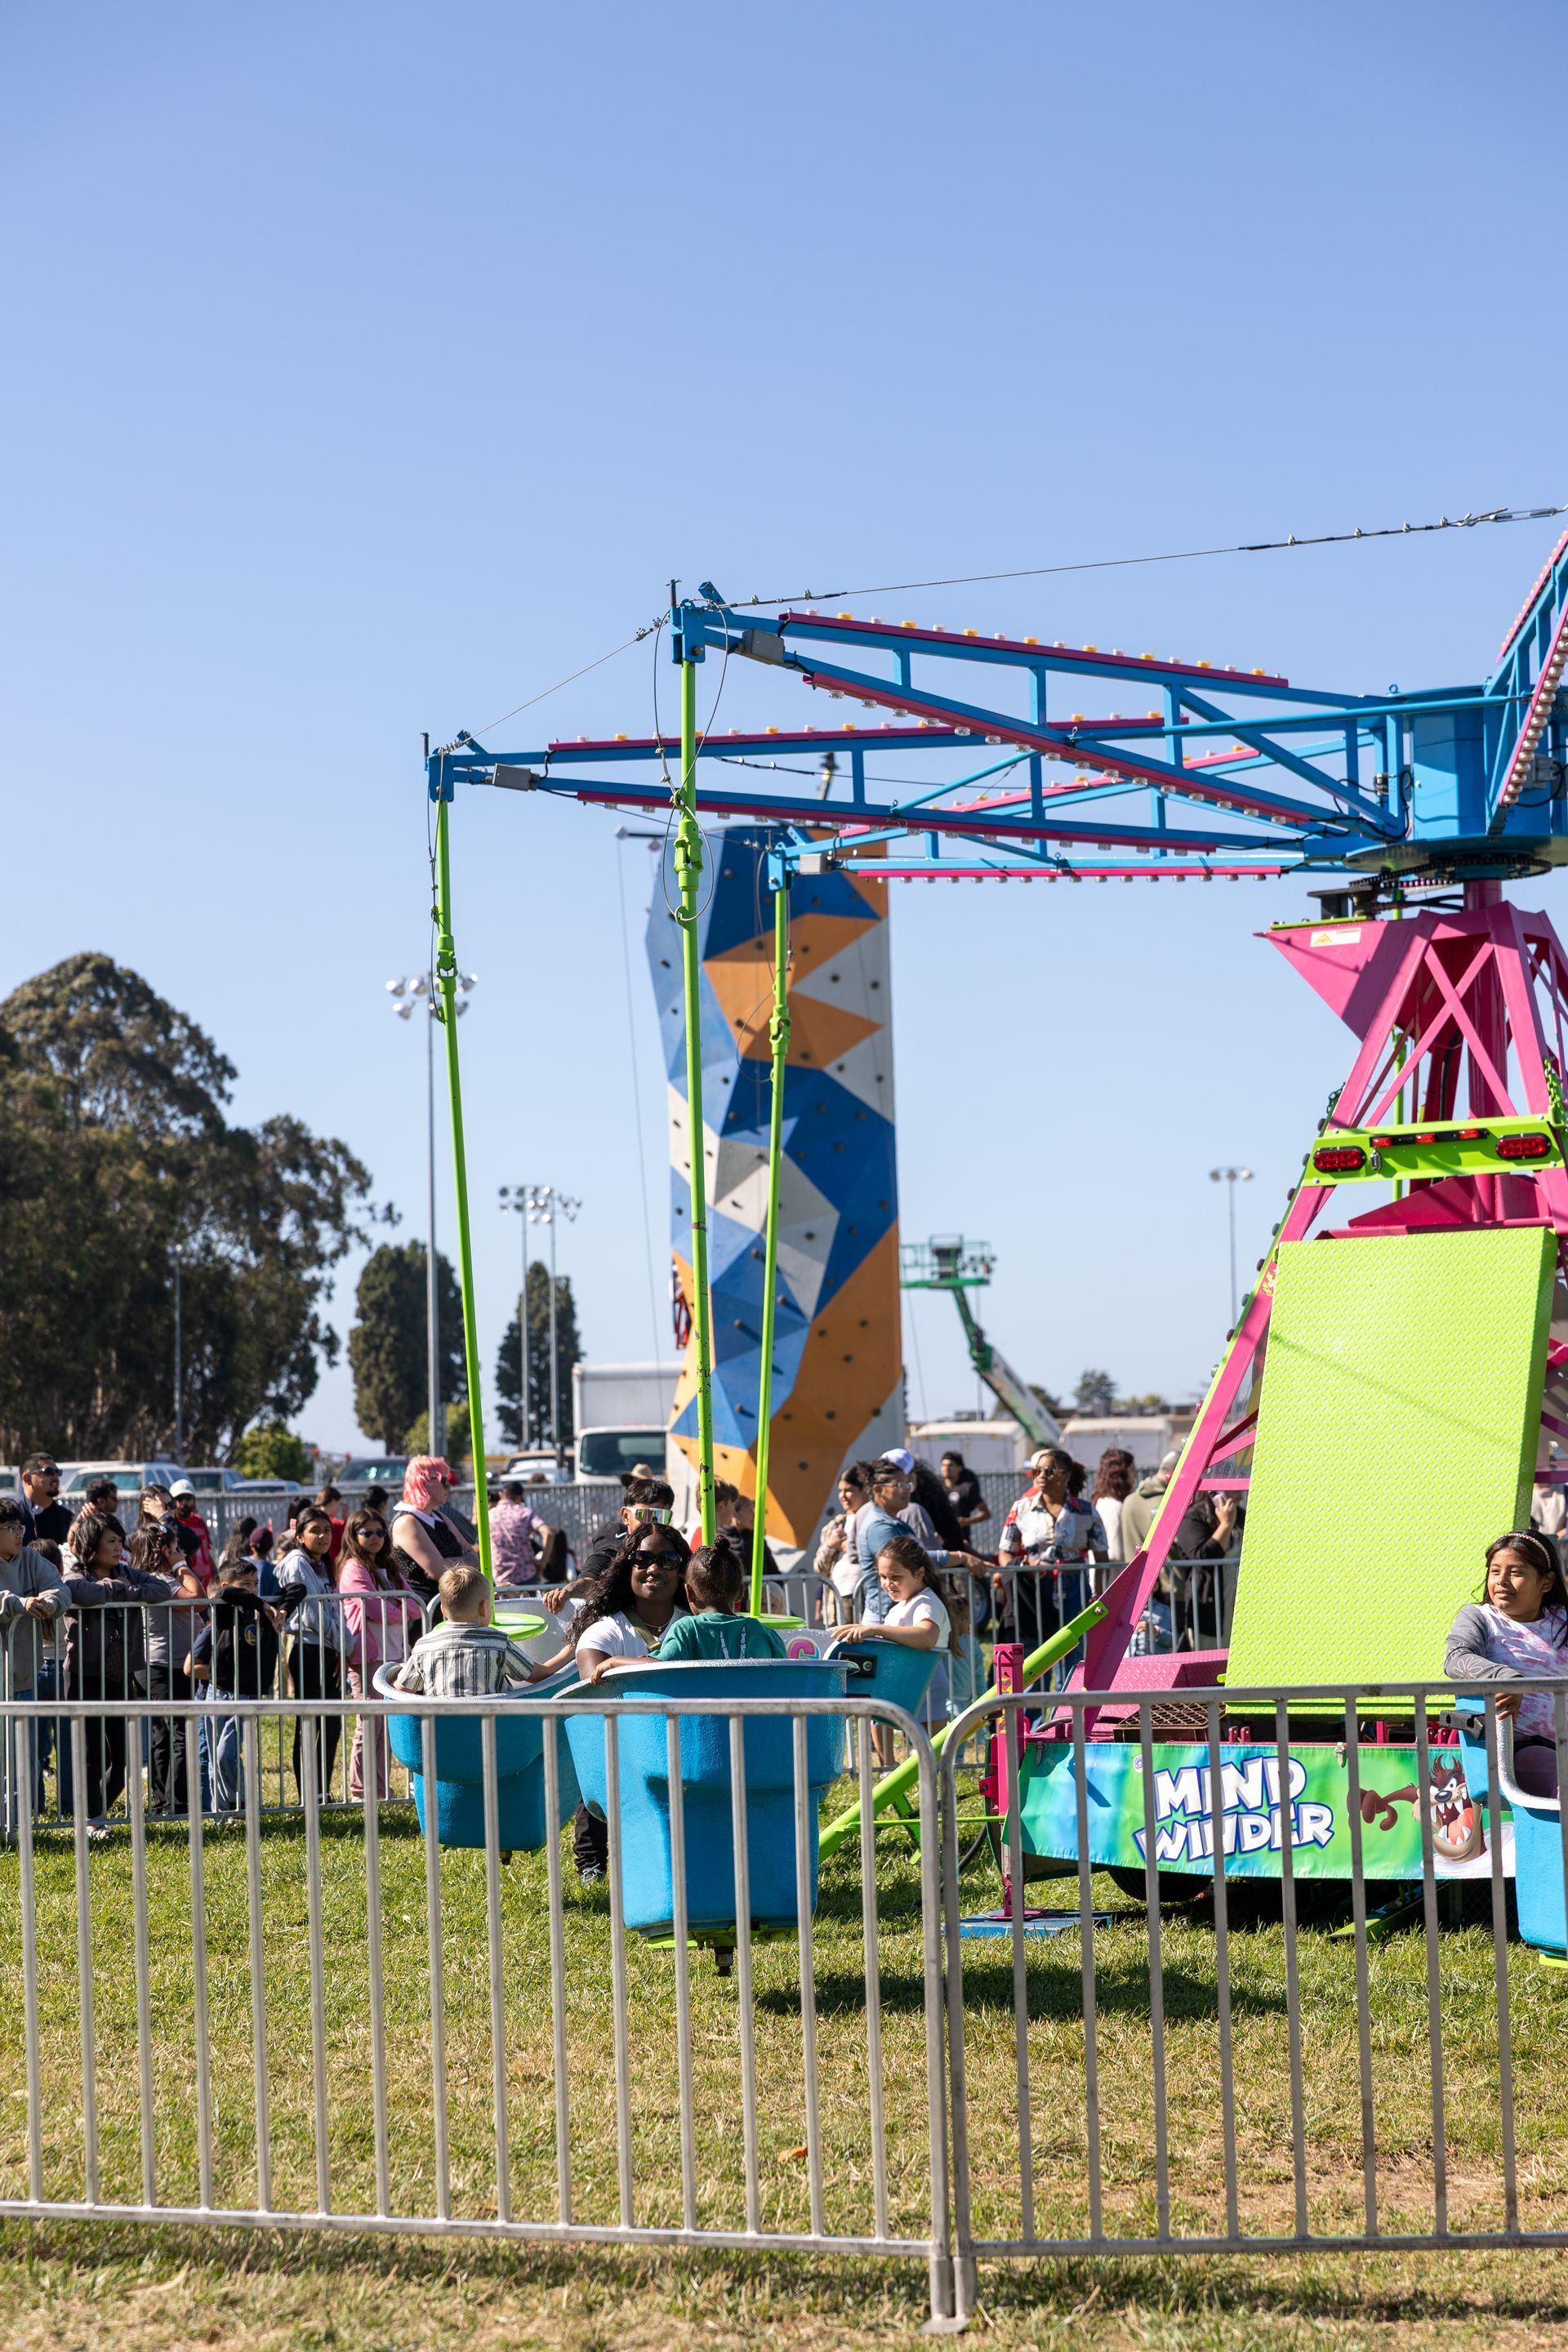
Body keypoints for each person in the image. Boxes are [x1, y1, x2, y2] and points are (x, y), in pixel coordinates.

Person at [554, 1522, 693, 1883]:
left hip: (686, 1748)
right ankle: (592, 1862)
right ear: (627, 1567)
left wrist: (621, 1665)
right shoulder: (603, 1631)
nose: (654, 1568)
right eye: (643, 1559)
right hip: (621, 1750)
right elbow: (594, 1690)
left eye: (667, 1560)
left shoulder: (696, 1626)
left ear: (682, 1570)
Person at [60, 1509, 167, 1830]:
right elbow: (79, 1592)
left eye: (120, 1540)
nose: (119, 1547)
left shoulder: (128, 1573)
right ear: (92, 1544)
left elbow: (161, 1590)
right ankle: (94, 1822)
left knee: (123, 1757)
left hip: (121, 1675)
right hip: (84, 1674)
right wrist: (115, 1589)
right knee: (91, 1754)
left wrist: (125, 1591)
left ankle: (92, 1813)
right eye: (111, 1541)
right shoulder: (77, 1575)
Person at [1446, 1530, 1568, 1796]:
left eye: (1515, 1572)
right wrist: (1506, 1678)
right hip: (1520, 1749)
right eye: (1495, 1571)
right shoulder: (1479, 1618)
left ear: (1546, 1582)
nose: (1501, 1581)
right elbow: (1456, 1658)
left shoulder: (1562, 1620)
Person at [833, 1531, 952, 1748]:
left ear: (919, 1573)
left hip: (925, 1687)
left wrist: (875, 1629)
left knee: (929, 1756)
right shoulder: (903, 1605)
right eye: (883, 1576)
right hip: (902, 1683)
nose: (888, 1583)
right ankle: (888, 1765)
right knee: (887, 1734)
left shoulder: (926, 1602)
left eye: (895, 1577)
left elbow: (927, 1637)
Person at [336, 1508, 422, 1800]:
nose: (375, 1538)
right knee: (369, 1723)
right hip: (367, 1655)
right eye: (367, 1533)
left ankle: (380, 1788)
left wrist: (396, 1606)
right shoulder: (353, 1568)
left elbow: (415, 1605)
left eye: (380, 1532)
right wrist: (399, 1607)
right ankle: (361, 1789)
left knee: (385, 1725)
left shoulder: (389, 1566)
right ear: (354, 1535)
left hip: (394, 1653)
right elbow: (372, 1607)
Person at [0, 1497, 71, 1834]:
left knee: (25, 1757)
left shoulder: (30, 1559)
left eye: (21, 1526)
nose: (19, 1533)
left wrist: (51, 1602)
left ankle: (20, 1826)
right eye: (11, 1528)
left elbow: (61, 1588)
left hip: (24, 1677)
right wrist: (19, 1603)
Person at [191, 1553, 283, 1813]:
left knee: (225, 1753)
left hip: (245, 1695)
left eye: (255, 1584)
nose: (253, 1590)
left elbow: (297, 1589)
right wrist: (259, 1602)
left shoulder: (262, 1614)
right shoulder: (223, 1611)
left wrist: (272, 1608)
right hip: (217, 1693)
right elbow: (227, 1594)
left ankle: (240, 1803)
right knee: (215, 1757)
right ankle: (223, 1811)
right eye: (246, 1585)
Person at [996, 1448, 1108, 1655]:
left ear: (1066, 1475)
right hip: (1032, 1591)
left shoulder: (1086, 1511)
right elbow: (1005, 1552)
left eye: (1048, 1471)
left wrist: (1097, 1594)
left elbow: (1102, 1558)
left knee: (1074, 1656)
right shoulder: (1021, 1509)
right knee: (1036, 1657)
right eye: (1036, 1471)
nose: (1041, 1476)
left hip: (1075, 1590)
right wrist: (1025, 1567)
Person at [136, 1515, 207, 1817]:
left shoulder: (154, 1578)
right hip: (164, 1666)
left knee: (165, 1735)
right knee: (177, 1734)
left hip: (168, 1664)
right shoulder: (161, 1580)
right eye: (176, 1548)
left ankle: (165, 1802)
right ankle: (175, 1804)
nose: (182, 1552)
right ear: (162, 1551)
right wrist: (181, 1565)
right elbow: (198, 1599)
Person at [276, 1504, 345, 1803]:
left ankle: (322, 1790)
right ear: (300, 1536)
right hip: (307, 1649)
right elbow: (312, 1613)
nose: (323, 1536)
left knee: (332, 1723)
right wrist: (342, 1642)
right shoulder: (296, 1562)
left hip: (329, 1648)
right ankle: (308, 1793)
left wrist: (341, 1647)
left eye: (327, 1530)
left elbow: (335, 1608)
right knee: (309, 1723)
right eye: (315, 1530)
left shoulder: (324, 1564)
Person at [393, 1564, 542, 1695]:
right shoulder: (499, 1643)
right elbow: (540, 1675)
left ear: (443, 1610)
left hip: (441, 1720)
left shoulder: (423, 1646)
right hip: (491, 1719)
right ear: (484, 1607)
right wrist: (560, 1653)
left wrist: (392, 1671)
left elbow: (401, 1689)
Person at [653, 1535, 790, 1662]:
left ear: (689, 1593)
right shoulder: (765, 1634)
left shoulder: (686, 1630)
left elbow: (658, 1667)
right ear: (741, 1592)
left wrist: (640, 1659)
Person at [388, 1457, 479, 1606]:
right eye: (444, 1481)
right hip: (423, 1611)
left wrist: (449, 1563)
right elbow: (439, 1571)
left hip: (451, 1605)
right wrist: (464, 1561)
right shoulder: (407, 1522)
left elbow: (474, 1557)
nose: (448, 1487)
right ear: (424, 1482)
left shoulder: (440, 1517)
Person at [814, 1463, 875, 1624]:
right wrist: (830, 1546)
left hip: (867, 1597)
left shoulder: (874, 1521)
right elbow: (819, 1570)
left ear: (864, 1490)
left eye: (848, 1490)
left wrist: (853, 1548)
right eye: (840, 1491)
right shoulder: (834, 1526)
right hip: (837, 1599)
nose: (843, 1496)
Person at [1089, 1448, 1138, 1569]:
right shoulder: (1114, 1508)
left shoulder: (1101, 1502)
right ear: (1120, 1474)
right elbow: (1115, 1553)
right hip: (1114, 1577)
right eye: (1132, 1470)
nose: (1135, 1476)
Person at [491, 1481, 547, 1585]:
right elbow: (548, 1533)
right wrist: (543, 1561)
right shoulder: (524, 1513)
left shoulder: (490, 1515)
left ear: (501, 1495)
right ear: (519, 1497)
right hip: (526, 1574)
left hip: (500, 1575)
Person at [17, 1453, 72, 1548]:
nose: (56, 1477)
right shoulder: (11, 1516)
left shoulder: (67, 1518)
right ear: (27, 1479)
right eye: (49, 1472)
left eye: (58, 1472)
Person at [169, 1481, 215, 1585]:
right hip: (188, 1580)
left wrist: (216, 1575)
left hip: (207, 1581)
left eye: (188, 1498)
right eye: (180, 1498)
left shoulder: (199, 1521)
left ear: (194, 1500)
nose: (184, 1502)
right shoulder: (174, 1525)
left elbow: (206, 1551)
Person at [940, 1450, 991, 1547]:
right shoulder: (937, 1487)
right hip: (940, 1541)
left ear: (959, 1468)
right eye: (943, 1465)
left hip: (960, 1540)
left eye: (950, 1465)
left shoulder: (967, 1488)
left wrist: (967, 1521)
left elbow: (986, 1514)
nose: (946, 1468)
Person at [315, 1483, 347, 1563]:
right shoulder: (338, 1524)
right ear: (333, 1502)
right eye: (338, 1504)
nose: (339, 1509)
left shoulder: (311, 1521)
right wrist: (347, 1521)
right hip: (334, 1564)